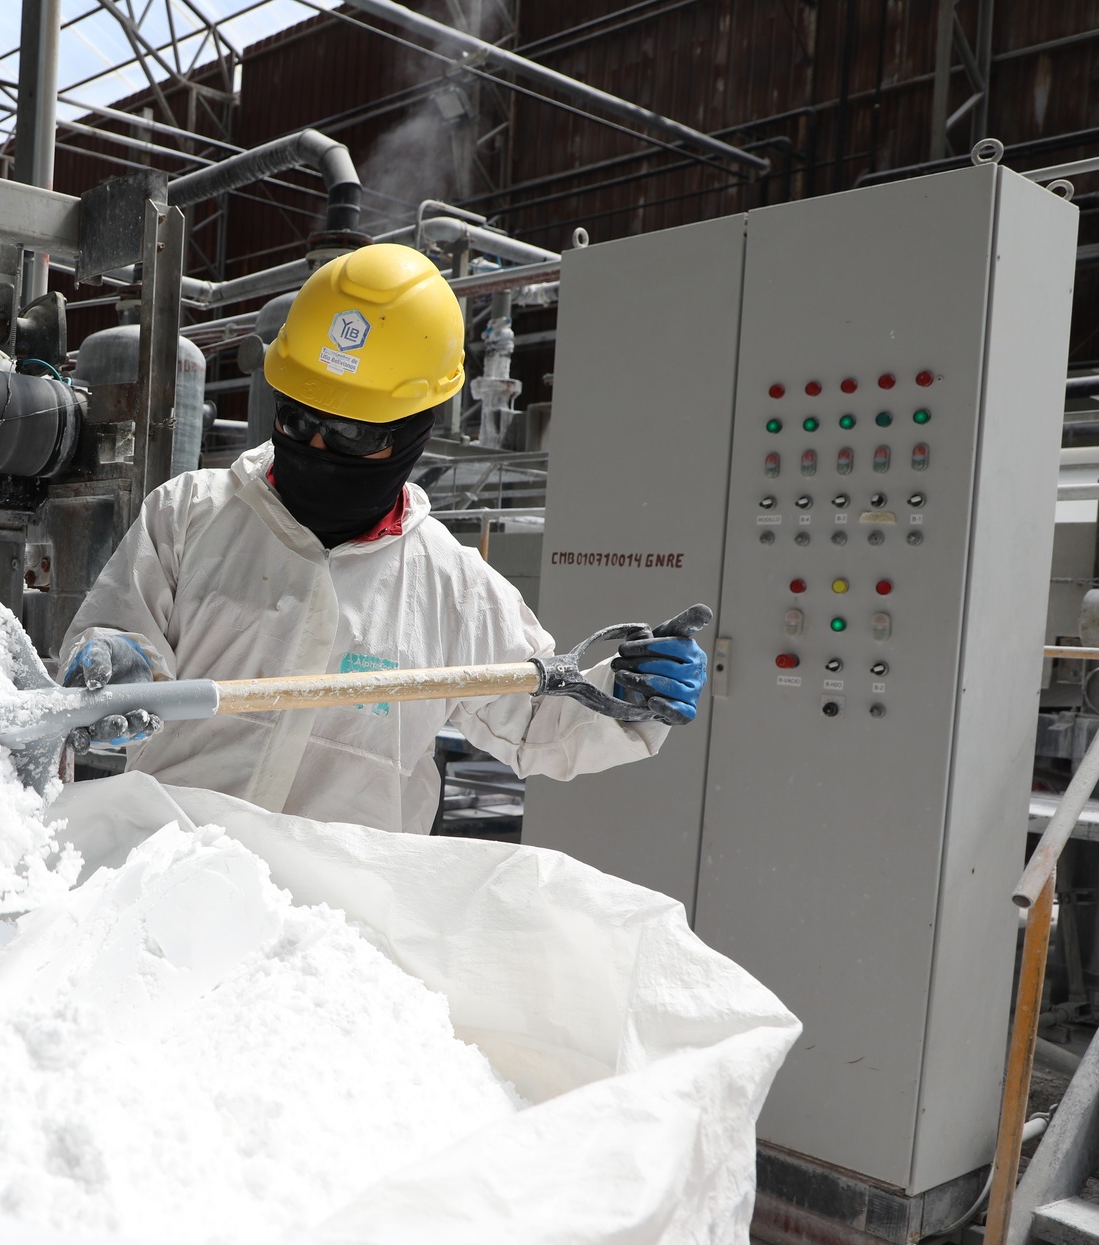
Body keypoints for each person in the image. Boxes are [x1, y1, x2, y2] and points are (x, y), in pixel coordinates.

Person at [58, 242, 706, 834]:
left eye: (351, 434)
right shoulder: (190, 515)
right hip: (168, 890)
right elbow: (118, 642)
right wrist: (108, 660)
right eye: (299, 415)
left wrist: (625, 696)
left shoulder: (449, 586)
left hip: (333, 929)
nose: (314, 446)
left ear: (413, 433)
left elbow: (535, 719)